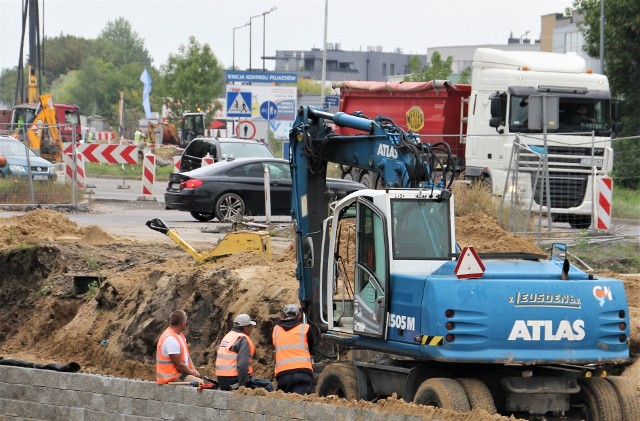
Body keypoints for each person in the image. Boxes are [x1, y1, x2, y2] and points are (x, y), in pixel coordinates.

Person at [215, 314, 274, 391]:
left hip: (222, 382)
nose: (251, 330)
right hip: (234, 382)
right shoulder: (242, 339)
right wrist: (242, 386)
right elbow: (242, 365)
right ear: (245, 328)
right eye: (250, 327)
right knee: (268, 385)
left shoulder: (228, 337)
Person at [272, 304, 318, 395]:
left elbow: (276, 346)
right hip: (302, 372)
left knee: (285, 403)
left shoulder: (276, 330)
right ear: (299, 316)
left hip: (282, 374)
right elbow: (311, 347)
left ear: (284, 316)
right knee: (299, 403)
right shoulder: (305, 328)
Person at [155, 310, 203, 385]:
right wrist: (192, 372)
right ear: (182, 323)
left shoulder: (180, 336)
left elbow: (187, 357)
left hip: (180, 373)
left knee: (205, 383)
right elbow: (179, 365)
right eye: (186, 321)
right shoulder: (170, 339)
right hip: (171, 377)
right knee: (200, 383)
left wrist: (193, 369)